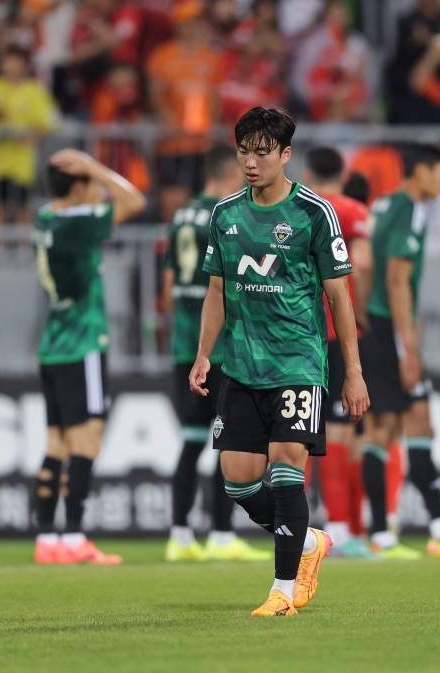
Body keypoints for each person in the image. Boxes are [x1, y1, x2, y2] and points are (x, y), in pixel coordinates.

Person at [190, 106, 369, 616]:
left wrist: (352, 372)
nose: (250, 161)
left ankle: (284, 591)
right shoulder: (225, 214)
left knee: (287, 468)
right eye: (244, 150)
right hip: (241, 367)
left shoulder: (314, 212)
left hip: (297, 363)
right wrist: (205, 354)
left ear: (286, 155)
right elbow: (217, 292)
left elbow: (340, 298)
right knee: (239, 480)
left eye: (262, 152)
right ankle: (309, 542)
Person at [359, 142, 440, 560]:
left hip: (374, 327)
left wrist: (363, 320)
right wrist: (410, 348)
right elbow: (397, 281)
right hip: (393, 330)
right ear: (419, 173)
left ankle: (386, 534)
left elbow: (363, 268)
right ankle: (439, 529)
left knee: (382, 432)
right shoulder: (410, 211)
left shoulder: (382, 206)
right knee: (419, 423)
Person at [30, 148, 147, 565]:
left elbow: (88, 201)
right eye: (90, 184)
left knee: (56, 443)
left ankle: (47, 540)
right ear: (77, 187)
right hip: (81, 344)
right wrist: (94, 166)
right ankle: (76, 537)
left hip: (52, 345)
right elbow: (134, 201)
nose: (98, 189)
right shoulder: (77, 225)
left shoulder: (44, 218)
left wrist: (81, 174)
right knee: (86, 443)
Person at [162, 143, 270, 563]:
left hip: (184, 348)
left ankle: (179, 536)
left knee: (191, 442)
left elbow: (167, 285)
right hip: (222, 352)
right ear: (232, 173)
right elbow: (231, 285)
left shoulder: (181, 216)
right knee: (231, 446)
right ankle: (222, 536)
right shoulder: (226, 214)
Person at [300, 146, 374, 558]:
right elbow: (360, 264)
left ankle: (299, 532)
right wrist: (357, 312)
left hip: (303, 334)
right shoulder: (349, 209)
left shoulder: (298, 207)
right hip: (336, 334)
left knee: (302, 436)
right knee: (342, 433)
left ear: (308, 171)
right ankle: (342, 529)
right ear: (344, 175)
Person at [145, 0, 223, 220]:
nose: (196, 25)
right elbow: (156, 96)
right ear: (179, 24)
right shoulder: (163, 57)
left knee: (205, 197)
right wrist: (171, 123)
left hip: (202, 144)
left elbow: (215, 98)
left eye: (199, 20)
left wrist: (210, 127)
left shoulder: (211, 58)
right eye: (191, 21)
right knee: (173, 199)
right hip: (172, 144)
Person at [0, 46, 59, 226]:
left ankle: (23, 249)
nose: (8, 65)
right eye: (5, 61)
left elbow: (51, 121)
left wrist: (32, 135)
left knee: (22, 204)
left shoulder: (34, 90)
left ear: (24, 64)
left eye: (13, 61)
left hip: (22, 161)